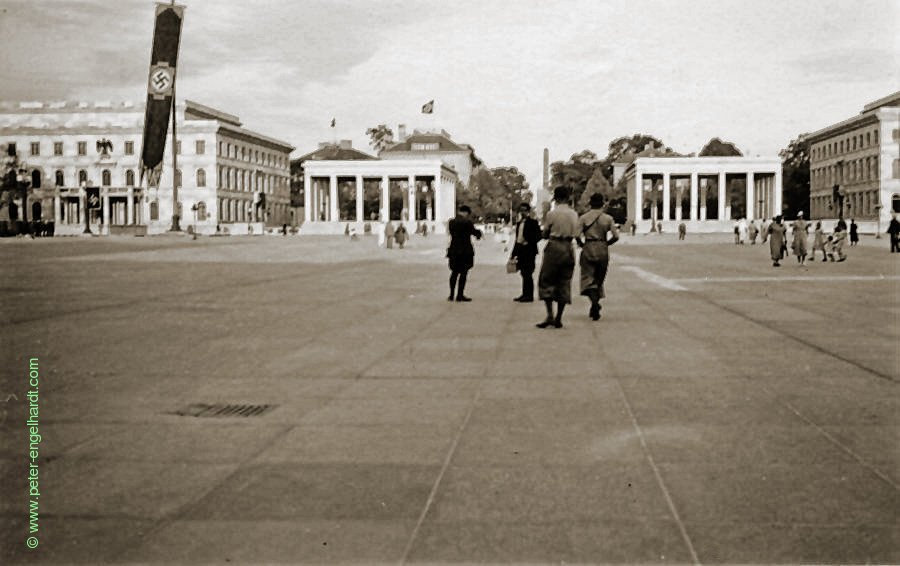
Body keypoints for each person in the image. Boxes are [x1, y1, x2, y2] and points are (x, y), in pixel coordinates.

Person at [536, 186, 579, 328]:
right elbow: (577, 233)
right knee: (564, 281)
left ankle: (550, 315)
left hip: (554, 247)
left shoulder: (551, 214)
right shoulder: (574, 214)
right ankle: (559, 317)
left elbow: (545, 233)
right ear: (568, 198)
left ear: (556, 197)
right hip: (568, 248)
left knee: (546, 280)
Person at [577, 193, 619, 321]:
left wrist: (581, 244)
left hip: (588, 247)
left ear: (590, 203)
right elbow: (616, 236)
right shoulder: (608, 218)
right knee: (599, 279)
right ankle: (595, 304)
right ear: (603, 204)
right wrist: (607, 243)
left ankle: (594, 304)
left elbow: (576, 235)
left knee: (588, 279)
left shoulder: (583, 218)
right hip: (602, 248)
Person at [446, 205, 482, 301]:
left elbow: (452, 233)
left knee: (454, 273)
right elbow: (474, 232)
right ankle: (460, 295)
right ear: (466, 213)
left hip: (453, 250)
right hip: (465, 251)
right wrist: (479, 233)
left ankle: (451, 294)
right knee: (463, 273)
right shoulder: (467, 222)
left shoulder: (451, 222)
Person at [510, 203, 542, 303]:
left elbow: (538, 236)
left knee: (528, 273)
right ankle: (524, 294)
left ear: (528, 211)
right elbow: (517, 239)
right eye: (521, 210)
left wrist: (529, 241)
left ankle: (529, 295)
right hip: (520, 250)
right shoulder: (519, 223)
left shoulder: (533, 222)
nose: (522, 212)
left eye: (524, 210)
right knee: (523, 273)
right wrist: (513, 253)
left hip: (529, 250)